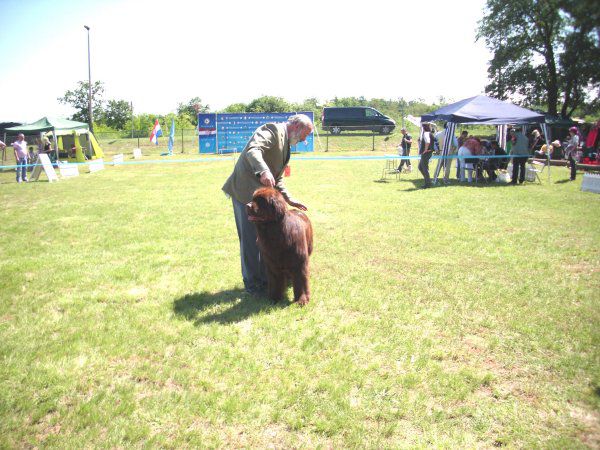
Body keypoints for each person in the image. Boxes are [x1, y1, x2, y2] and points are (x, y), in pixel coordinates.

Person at [222, 114, 313, 296]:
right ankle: (253, 285)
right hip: (245, 193)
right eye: (305, 135)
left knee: (267, 240)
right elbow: (253, 150)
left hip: (264, 200)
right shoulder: (271, 130)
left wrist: (289, 199)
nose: (304, 140)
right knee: (250, 242)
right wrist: (262, 170)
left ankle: (267, 280)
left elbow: (277, 177)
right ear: (295, 126)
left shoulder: (287, 144)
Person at [418, 123, 435, 188]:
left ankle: (428, 183)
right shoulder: (429, 133)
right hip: (428, 153)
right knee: (421, 167)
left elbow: (427, 142)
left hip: (426, 153)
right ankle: (428, 181)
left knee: (424, 168)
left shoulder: (426, 133)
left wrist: (425, 150)